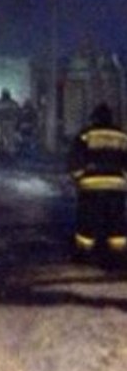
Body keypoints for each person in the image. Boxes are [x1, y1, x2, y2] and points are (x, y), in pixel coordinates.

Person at [68, 103, 127, 256]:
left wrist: (78, 177)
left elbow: (75, 159)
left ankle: (84, 251)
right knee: (116, 219)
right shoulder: (122, 136)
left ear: (94, 118)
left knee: (87, 219)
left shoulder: (85, 135)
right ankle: (117, 252)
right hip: (116, 186)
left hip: (90, 186)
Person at [0, 89, 20, 158]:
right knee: (10, 139)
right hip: (10, 123)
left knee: (2, 137)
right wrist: (17, 123)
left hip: (2, 122)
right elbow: (18, 113)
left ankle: (1, 152)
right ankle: (10, 153)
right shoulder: (13, 103)